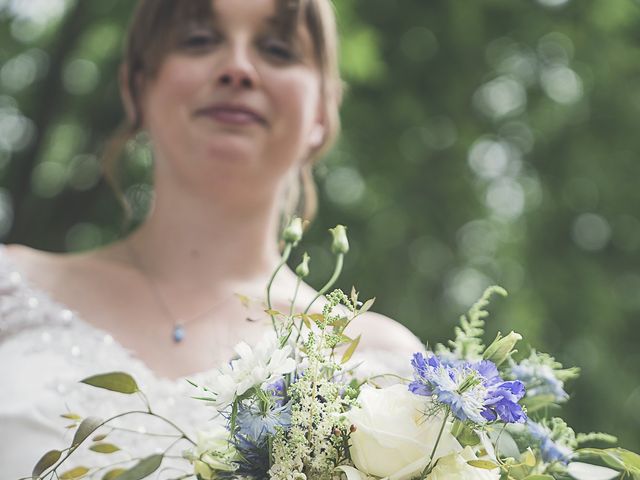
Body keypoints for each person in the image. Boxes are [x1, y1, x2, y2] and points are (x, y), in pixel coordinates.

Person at [0, 0, 422, 477]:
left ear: (322, 111)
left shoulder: (381, 364)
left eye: (278, 49)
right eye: (199, 40)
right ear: (136, 88)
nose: (238, 68)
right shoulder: (9, 288)